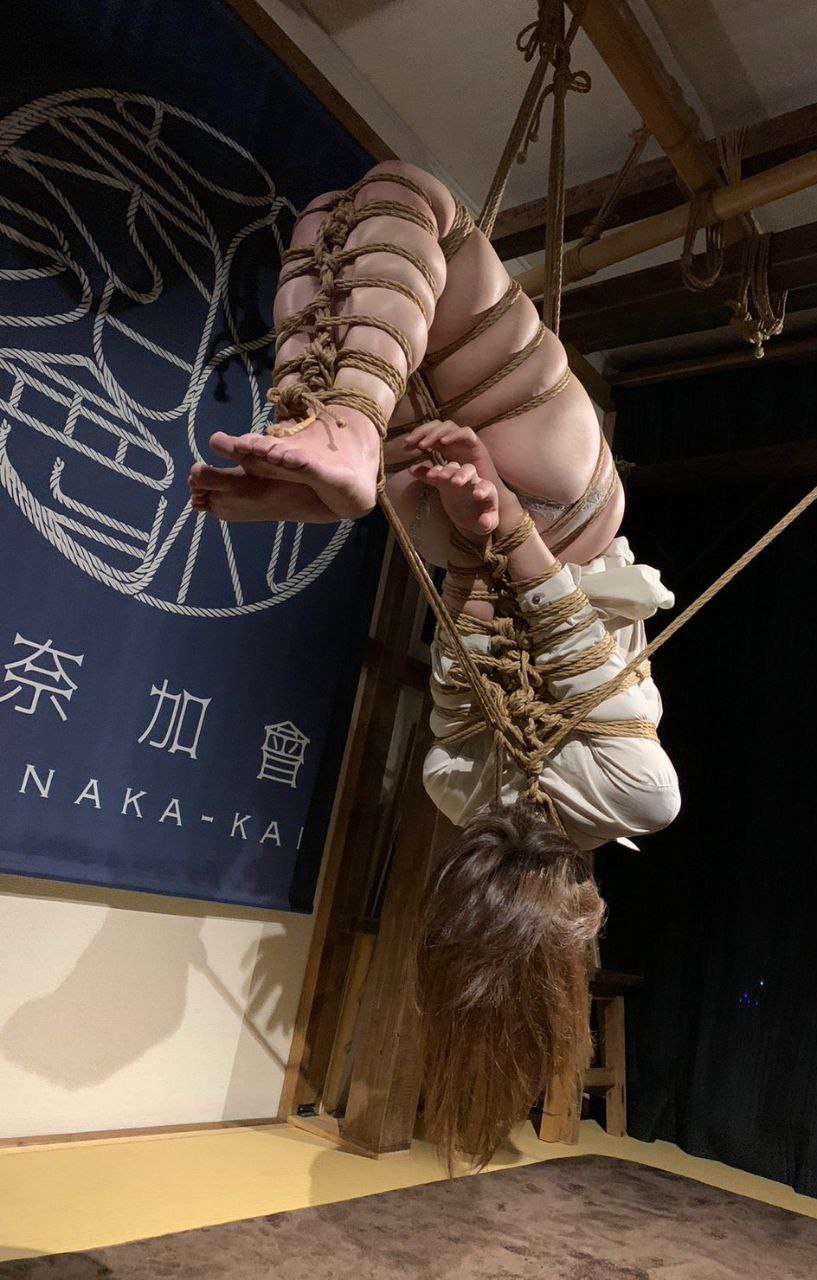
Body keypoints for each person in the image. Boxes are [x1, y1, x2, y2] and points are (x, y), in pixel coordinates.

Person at [189, 162, 680, 1167]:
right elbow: (574, 658)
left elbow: (483, 656)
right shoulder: (561, 793)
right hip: (548, 524)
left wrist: (473, 531)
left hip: (508, 518)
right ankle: (342, 437)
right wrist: (496, 528)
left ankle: (332, 429)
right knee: (398, 205)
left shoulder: (506, 792)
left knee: (339, 223)